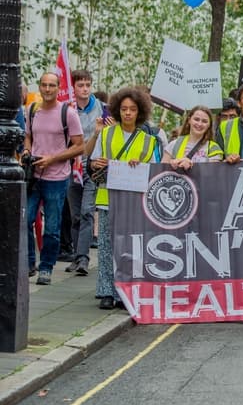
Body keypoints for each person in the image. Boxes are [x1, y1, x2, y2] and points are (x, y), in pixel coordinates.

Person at [88, 87, 159, 309]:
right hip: (107, 197)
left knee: (130, 247)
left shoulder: (150, 141)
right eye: (124, 109)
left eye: (133, 109)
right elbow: (93, 162)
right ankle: (107, 291)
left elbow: (155, 170)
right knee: (107, 246)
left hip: (135, 201)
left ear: (140, 112)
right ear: (118, 111)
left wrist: (141, 165)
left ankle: (125, 291)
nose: (128, 113)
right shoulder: (106, 134)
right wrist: (97, 163)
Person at [23, 72, 85, 284]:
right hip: (34, 176)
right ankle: (29, 263)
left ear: (58, 88)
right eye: (44, 85)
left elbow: (80, 146)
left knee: (52, 226)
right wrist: (26, 151)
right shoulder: (32, 109)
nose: (47, 89)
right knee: (26, 220)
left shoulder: (67, 113)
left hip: (57, 178)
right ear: (39, 87)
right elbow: (28, 137)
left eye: (51, 85)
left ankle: (46, 267)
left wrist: (52, 158)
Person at [65, 70, 111, 276]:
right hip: (70, 166)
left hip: (92, 166)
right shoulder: (68, 109)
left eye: (88, 85)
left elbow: (112, 134)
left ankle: (83, 258)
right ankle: (77, 255)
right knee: (75, 214)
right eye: (80, 85)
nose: (84, 89)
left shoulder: (103, 109)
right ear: (73, 87)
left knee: (86, 211)